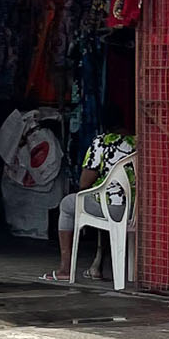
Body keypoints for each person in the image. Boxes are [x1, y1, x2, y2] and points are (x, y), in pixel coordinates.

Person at [40, 111, 136, 284]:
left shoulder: (102, 141)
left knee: (68, 204)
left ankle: (65, 269)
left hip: (112, 209)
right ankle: (96, 266)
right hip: (136, 210)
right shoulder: (139, 143)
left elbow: (85, 182)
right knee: (101, 205)